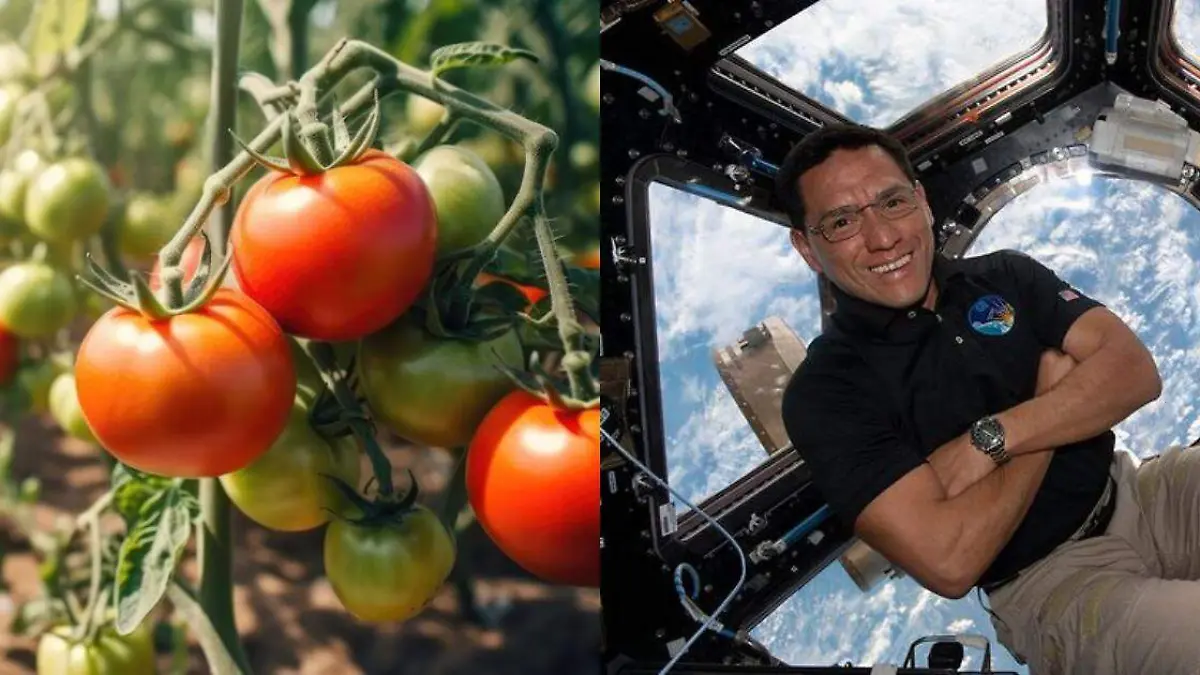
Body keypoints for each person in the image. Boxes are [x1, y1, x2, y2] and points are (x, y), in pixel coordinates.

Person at [775, 123, 1200, 675]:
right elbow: (949, 558)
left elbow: (1133, 373)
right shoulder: (825, 392)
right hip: (1054, 587)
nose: (882, 238)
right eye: (841, 221)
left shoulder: (1005, 276)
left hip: (1144, 492)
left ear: (922, 203)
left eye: (892, 201)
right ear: (807, 248)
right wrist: (1050, 403)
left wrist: (991, 442)